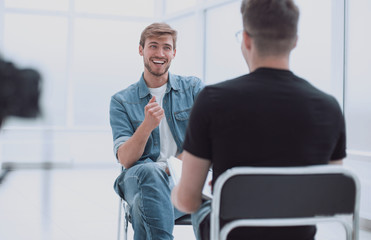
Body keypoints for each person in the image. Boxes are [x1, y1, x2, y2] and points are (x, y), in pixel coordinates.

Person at [171, 0, 346, 239]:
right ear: (294, 41)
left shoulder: (213, 100)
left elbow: (188, 201)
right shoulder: (329, 107)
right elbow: (330, 199)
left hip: (232, 234)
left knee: (199, 207)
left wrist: (212, 192)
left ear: (246, 39)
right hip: (298, 236)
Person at [110, 22, 204, 240]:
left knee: (143, 207)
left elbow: (211, 139)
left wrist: (174, 166)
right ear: (141, 49)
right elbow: (125, 158)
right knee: (151, 172)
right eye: (153, 46)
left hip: (184, 179)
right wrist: (146, 126)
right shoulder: (121, 100)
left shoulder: (193, 89)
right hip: (139, 178)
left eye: (166, 47)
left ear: (174, 52)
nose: (160, 53)